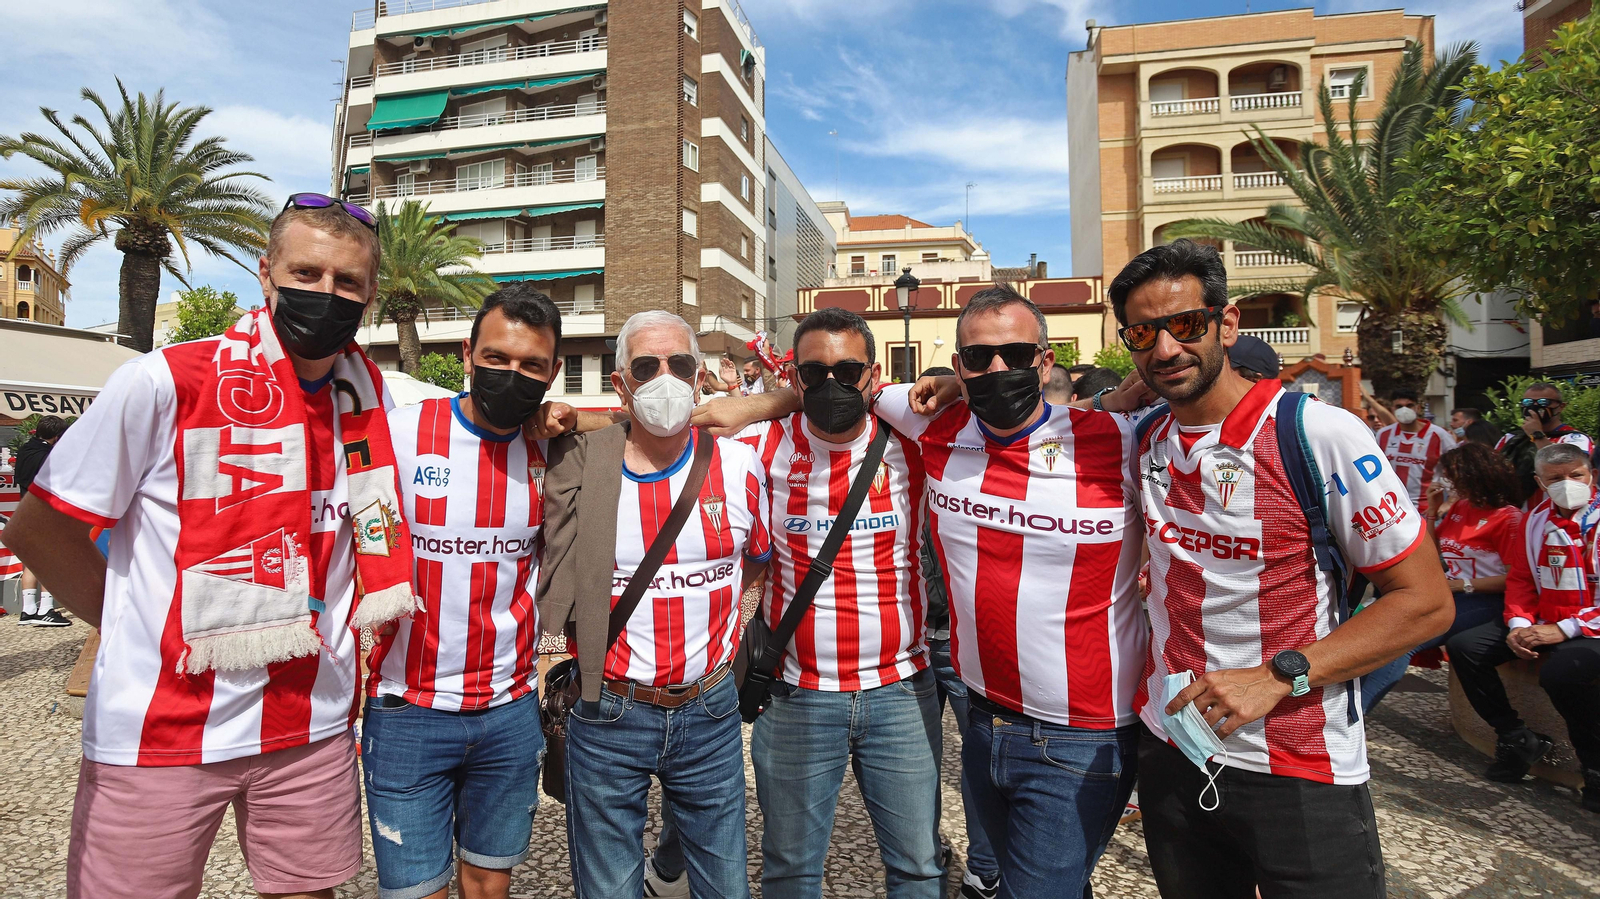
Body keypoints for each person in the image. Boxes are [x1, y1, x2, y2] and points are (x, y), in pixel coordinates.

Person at [5, 193, 417, 899]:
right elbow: (39, 530)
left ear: (370, 294)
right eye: (306, 273)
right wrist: (134, 620)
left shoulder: (370, 402)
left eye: (347, 281)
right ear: (266, 273)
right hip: (161, 725)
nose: (326, 293)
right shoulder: (164, 380)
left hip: (312, 725)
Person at [1112, 239, 1451, 899]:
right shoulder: (1147, 439)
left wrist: (1277, 677)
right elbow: (1050, 434)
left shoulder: (1318, 432)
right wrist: (967, 387)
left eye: (1186, 324)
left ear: (1227, 324)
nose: (1166, 349)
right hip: (1173, 748)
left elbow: (1426, 602)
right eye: (1143, 333)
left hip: (1298, 763)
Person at [871, 285, 1147, 898]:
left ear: (1045, 363)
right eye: (979, 358)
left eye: (1017, 355)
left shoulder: (1123, 440)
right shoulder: (937, 425)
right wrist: (760, 402)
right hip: (982, 717)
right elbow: (847, 382)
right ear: (959, 366)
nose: (999, 369)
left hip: (1084, 731)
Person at [537, 310, 771, 899]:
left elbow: (757, 561)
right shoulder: (582, 464)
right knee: (608, 889)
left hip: (710, 710)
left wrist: (728, 633)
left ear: (699, 378)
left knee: (726, 886)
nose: (665, 378)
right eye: (646, 367)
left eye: (680, 364)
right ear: (622, 384)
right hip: (608, 709)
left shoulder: (740, 465)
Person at [363, 285, 571, 899]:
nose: (512, 375)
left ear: (554, 372)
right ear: (466, 354)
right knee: (416, 890)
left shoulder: (553, 450)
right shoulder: (402, 433)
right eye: (496, 358)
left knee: (487, 882)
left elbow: (645, 429)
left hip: (508, 709)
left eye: (532, 365)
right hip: (406, 707)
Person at [730, 307, 943, 899]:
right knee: (790, 869)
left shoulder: (914, 443)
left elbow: (1009, 420)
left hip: (901, 691)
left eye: (848, 372)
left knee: (919, 866)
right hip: (796, 694)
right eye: (814, 373)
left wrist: (949, 381)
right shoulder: (760, 445)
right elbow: (663, 434)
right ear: (794, 379)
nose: (832, 385)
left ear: (873, 375)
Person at [1446, 443, 1600, 811]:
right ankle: (1516, 737)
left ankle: (1594, 766)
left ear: (1591, 475)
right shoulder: (1535, 520)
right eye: (1555, 479)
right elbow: (1521, 578)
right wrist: (1518, 623)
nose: (1567, 484)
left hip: (1589, 626)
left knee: (1563, 674)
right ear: (1539, 482)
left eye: (1576, 475)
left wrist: (1565, 629)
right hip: (1544, 618)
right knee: (1466, 647)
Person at [1361, 444, 1525, 711]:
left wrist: (1463, 585)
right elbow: (1434, 552)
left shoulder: (1508, 518)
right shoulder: (1461, 507)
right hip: (1450, 592)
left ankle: (1354, 717)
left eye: (1452, 475)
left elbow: (1516, 578)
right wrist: (1432, 511)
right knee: (1377, 628)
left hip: (1487, 600)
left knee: (1404, 641)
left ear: (1474, 474)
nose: (1448, 481)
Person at [13, 414, 71, 627]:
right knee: (49, 561)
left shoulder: (24, 451)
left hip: (24, 512)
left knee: (31, 561)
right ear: (57, 436)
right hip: (45, 514)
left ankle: (28, 610)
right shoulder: (49, 457)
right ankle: (46, 609)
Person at [1496, 382, 1595, 507]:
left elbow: (1564, 466)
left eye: (1544, 402)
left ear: (1561, 406)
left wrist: (1537, 435)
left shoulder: (1574, 438)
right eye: (1528, 402)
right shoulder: (1510, 438)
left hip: (1557, 509)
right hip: (1516, 510)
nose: (1534, 407)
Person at [1374, 387, 1457, 515]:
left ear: (1417, 408)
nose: (1404, 410)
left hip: (1426, 510)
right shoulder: (1383, 435)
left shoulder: (1439, 436)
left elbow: (1458, 468)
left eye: (1409, 405)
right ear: (1392, 409)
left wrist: (1450, 502)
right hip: (1392, 509)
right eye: (1399, 406)